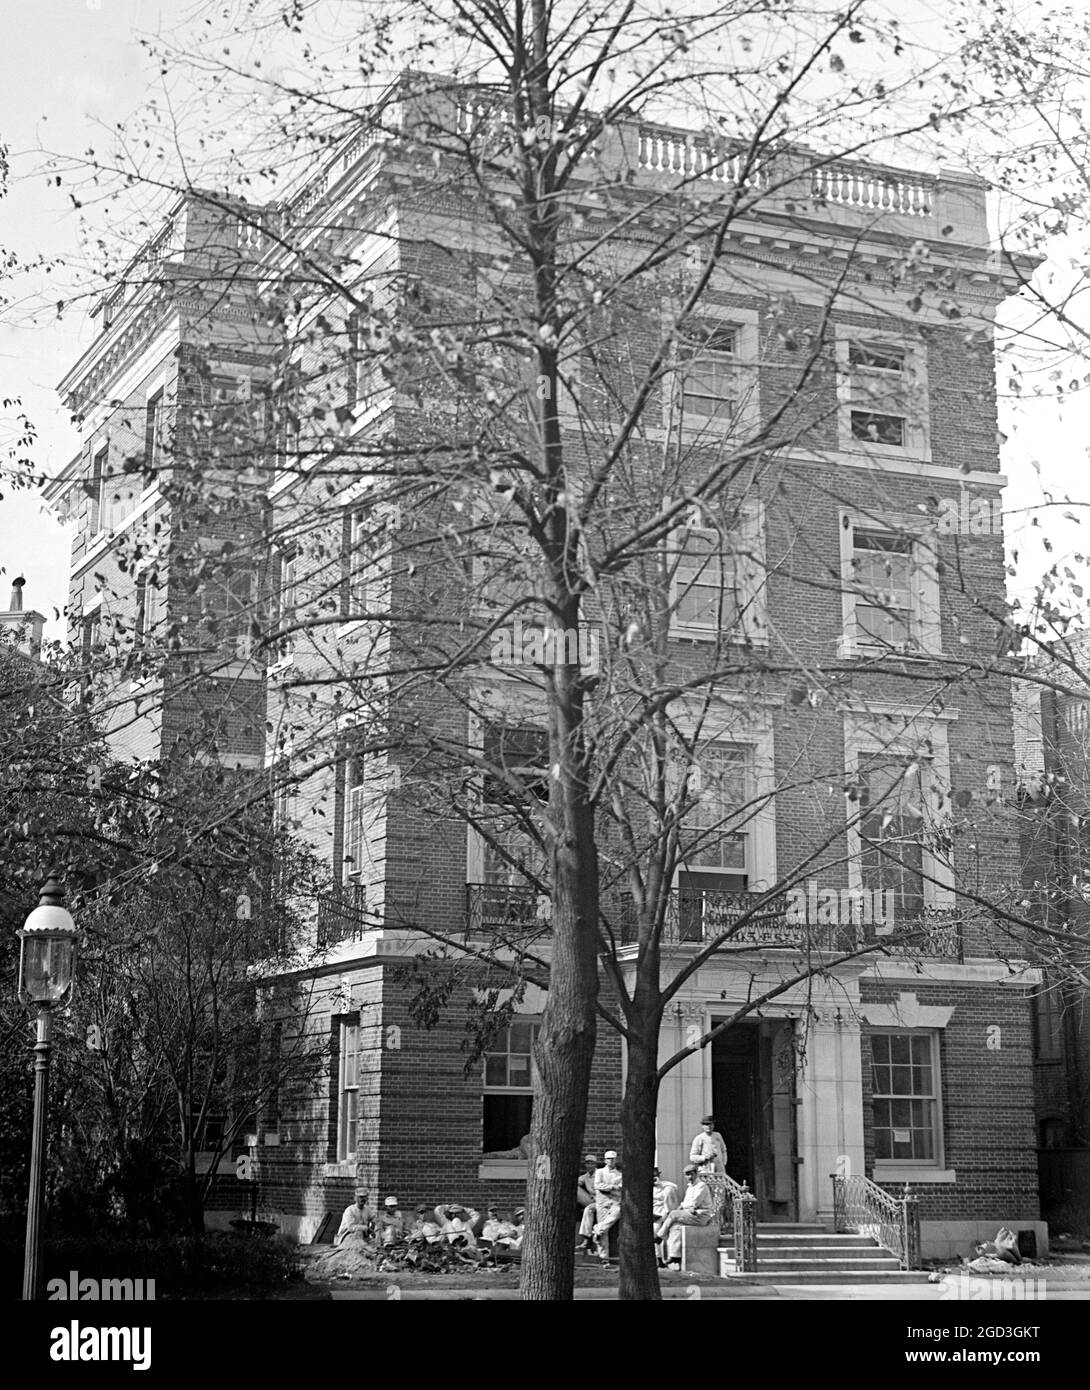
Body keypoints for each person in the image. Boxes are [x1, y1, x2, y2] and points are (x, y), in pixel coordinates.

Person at [656, 1164, 715, 1269]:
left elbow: (694, 1203)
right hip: (691, 1213)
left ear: (696, 1174)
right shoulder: (689, 1187)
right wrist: (684, 1206)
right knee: (675, 1226)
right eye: (687, 1175)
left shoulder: (701, 1186)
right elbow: (686, 1203)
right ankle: (675, 1255)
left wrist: (684, 1206)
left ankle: (659, 1237)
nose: (689, 1177)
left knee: (673, 1214)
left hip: (701, 1215)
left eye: (691, 1174)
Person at [592, 1150, 623, 1261]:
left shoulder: (620, 1175)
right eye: (609, 1159)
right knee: (604, 1232)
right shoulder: (599, 1172)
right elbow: (597, 1185)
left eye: (613, 1159)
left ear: (616, 1160)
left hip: (615, 1202)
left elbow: (621, 1188)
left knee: (618, 1212)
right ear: (605, 1160)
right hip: (602, 1202)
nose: (611, 1161)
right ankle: (604, 1257)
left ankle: (597, 1229)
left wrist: (613, 1189)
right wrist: (612, 1187)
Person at [576, 1152, 599, 1253]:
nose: (589, 1165)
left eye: (592, 1163)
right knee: (575, 1188)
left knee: (588, 1210)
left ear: (595, 1164)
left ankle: (586, 1240)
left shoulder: (600, 1174)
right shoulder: (585, 1177)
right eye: (587, 1163)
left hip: (602, 1201)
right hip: (591, 1201)